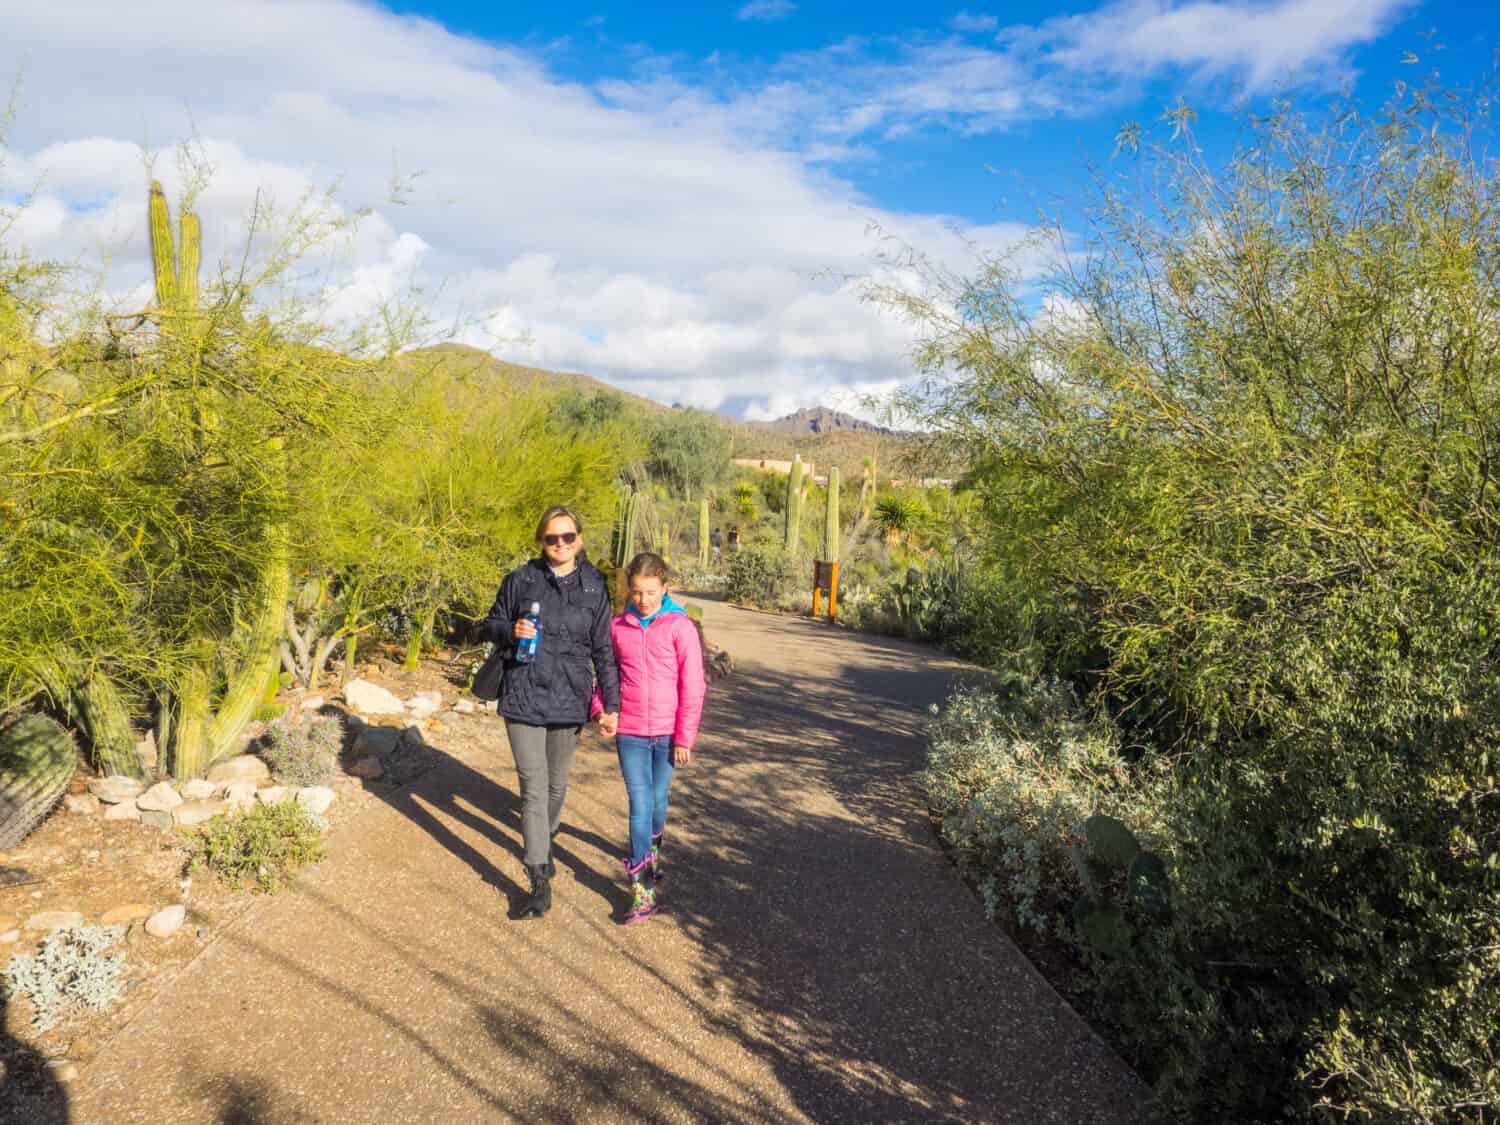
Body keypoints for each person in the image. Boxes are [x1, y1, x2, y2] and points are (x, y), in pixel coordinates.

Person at [483, 505, 620, 920]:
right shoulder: (521, 580)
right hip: (523, 692)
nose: (560, 544)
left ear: (579, 539)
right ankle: (538, 878)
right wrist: (512, 630)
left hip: (570, 696)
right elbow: (490, 623)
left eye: (568, 537)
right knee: (534, 787)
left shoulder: (595, 587)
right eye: (551, 538)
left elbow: (604, 650)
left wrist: (611, 704)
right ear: (540, 541)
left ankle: (546, 834)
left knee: (557, 786)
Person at [596, 552, 706, 923]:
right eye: (637, 592)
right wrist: (602, 710)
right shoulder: (618, 627)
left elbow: (693, 685)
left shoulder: (680, 627)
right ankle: (642, 892)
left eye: (650, 592)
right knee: (640, 805)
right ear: (629, 589)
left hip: (667, 734)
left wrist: (684, 737)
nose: (643, 599)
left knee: (659, 800)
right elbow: (604, 674)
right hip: (630, 732)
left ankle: (653, 854)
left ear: (665, 588)